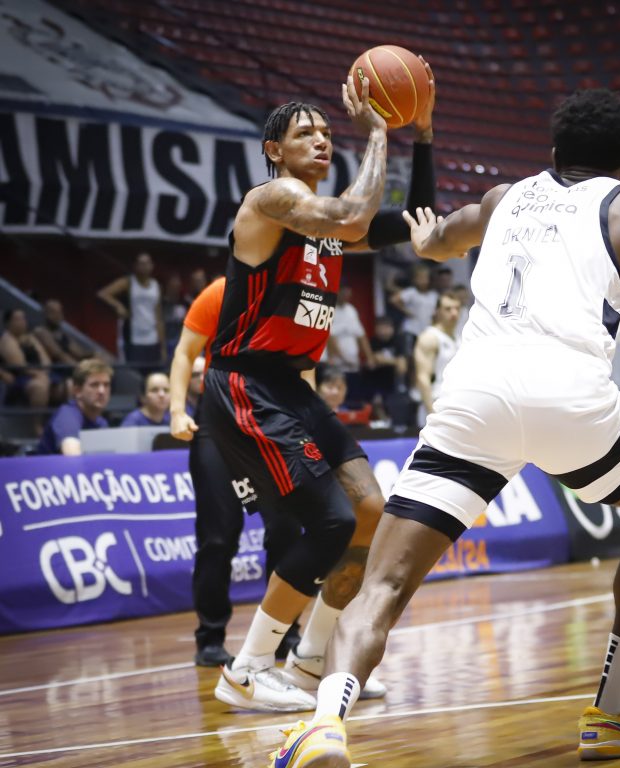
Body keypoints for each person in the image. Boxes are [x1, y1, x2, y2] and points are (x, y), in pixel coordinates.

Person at [271, 87, 620, 766]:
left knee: (384, 581)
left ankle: (324, 725)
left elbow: (436, 243)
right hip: (571, 401)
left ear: (554, 152)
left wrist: (428, 236)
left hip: (474, 400)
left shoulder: (504, 198)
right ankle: (610, 712)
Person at [196, 65, 438, 712]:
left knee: (370, 511)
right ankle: (246, 670)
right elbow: (357, 214)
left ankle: (309, 661)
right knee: (331, 522)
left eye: (329, 132)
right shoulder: (272, 199)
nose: (323, 140)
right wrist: (378, 133)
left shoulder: (325, 226)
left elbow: (418, 222)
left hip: (291, 387)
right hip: (244, 382)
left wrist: (422, 134)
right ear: (274, 150)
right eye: (306, 133)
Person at [170, 277, 300, 667]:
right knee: (218, 536)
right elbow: (184, 352)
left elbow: (301, 365)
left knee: (286, 529)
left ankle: (282, 633)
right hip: (217, 423)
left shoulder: (291, 294)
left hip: (269, 425)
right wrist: (176, 410)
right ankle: (210, 637)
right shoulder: (219, 293)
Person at [97, 252, 166, 367]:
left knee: (154, 371)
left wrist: (162, 346)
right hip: (134, 339)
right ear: (135, 266)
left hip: (152, 338)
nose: (144, 266)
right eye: (141, 263)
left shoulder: (156, 286)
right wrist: (118, 305)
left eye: (147, 263)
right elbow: (103, 293)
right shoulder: (128, 282)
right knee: (135, 371)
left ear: (152, 265)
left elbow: (158, 316)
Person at [36, 358, 112, 455]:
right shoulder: (67, 417)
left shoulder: (101, 423)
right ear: (77, 391)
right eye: (94, 385)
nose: (102, 391)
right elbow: (73, 457)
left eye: (106, 385)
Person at [411, 290, 462, 427]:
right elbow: (422, 377)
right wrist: (431, 412)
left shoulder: (460, 339)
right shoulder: (429, 337)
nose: (454, 313)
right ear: (437, 311)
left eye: (457, 308)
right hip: (437, 404)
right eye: (448, 309)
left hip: (458, 404)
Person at [0, 308, 51, 411]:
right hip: (20, 378)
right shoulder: (7, 340)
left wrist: (45, 372)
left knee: (69, 384)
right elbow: (20, 367)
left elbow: (46, 359)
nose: (22, 322)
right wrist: (40, 374)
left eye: (23, 318)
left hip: (41, 373)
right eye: (18, 319)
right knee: (39, 387)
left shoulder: (31, 338)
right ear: (8, 323)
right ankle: (36, 421)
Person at [324, 283, 374, 373]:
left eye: (348, 292)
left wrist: (369, 357)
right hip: (336, 363)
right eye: (343, 292)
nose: (346, 295)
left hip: (353, 363)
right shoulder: (328, 308)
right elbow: (329, 337)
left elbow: (361, 335)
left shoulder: (351, 310)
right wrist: (344, 359)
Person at [33, 299, 92, 367]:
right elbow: (59, 355)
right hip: (55, 368)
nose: (58, 316)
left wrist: (94, 354)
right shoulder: (40, 332)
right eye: (53, 312)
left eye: (59, 312)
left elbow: (79, 353)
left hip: (70, 366)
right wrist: (80, 367)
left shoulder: (62, 334)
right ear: (45, 313)